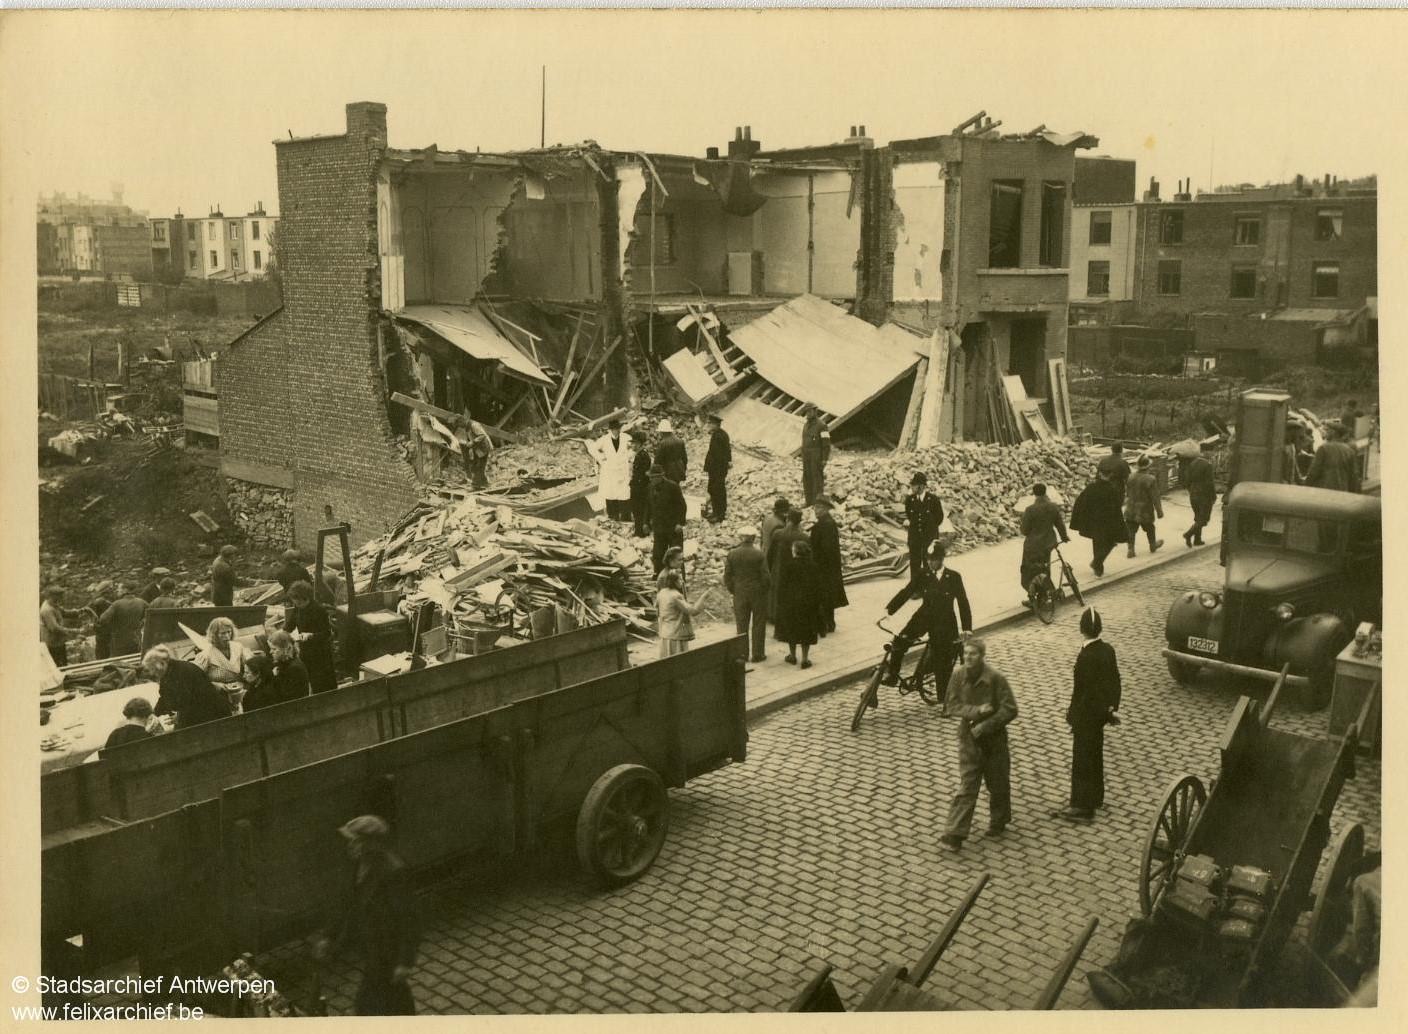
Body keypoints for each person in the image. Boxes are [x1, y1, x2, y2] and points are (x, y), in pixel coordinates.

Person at [314, 815, 420, 1016]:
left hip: (387, 948)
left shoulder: (393, 872)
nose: (350, 846)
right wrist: (328, 936)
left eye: (356, 841)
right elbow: (346, 904)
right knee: (394, 997)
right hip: (371, 945)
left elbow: (410, 919)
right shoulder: (358, 865)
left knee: (374, 1001)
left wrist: (405, 961)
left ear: (372, 844)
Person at [939, 638, 1018, 852]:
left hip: (994, 739)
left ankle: (999, 820)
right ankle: (954, 834)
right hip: (969, 739)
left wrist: (987, 725)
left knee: (998, 781)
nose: (968, 658)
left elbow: (1010, 708)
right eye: (965, 654)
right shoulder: (958, 675)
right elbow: (951, 705)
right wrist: (975, 712)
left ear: (982, 656)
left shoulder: (996, 678)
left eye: (973, 654)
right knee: (968, 785)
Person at [1053, 607, 1121, 823]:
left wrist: (1073, 716)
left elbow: (1082, 692)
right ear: (1099, 628)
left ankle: (1082, 806)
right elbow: (1115, 682)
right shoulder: (1108, 650)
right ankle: (1096, 796)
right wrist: (1110, 708)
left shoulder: (1085, 656)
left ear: (1081, 629)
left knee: (1082, 759)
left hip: (1086, 716)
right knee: (1095, 755)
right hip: (1100, 715)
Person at [880, 540, 972, 691]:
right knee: (898, 643)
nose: (931, 563)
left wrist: (967, 627)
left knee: (942, 664)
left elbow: (963, 602)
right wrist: (888, 610)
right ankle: (892, 675)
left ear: (942, 559)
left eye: (934, 560)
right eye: (929, 559)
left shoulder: (954, 577)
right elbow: (907, 592)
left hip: (945, 622)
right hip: (923, 617)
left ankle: (944, 700)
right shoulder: (924, 574)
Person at [144, 645, 232, 730]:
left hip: (213, 716)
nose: (152, 673)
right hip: (198, 715)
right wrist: (153, 714)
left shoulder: (183, 671)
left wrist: (181, 717)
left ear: (162, 664)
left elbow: (199, 700)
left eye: (152, 669)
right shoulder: (168, 672)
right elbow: (165, 698)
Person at [723, 526, 769, 663]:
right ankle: (758, 653)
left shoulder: (732, 554)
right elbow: (766, 577)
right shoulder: (760, 554)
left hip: (740, 593)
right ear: (754, 538)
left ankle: (743, 654)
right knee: (759, 623)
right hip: (758, 593)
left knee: (741, 624)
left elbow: (727, 576)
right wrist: (765, 590)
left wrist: (733, 590)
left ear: (740, 538)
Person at [1070, 469, 1128, 577]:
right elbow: (1116, 508)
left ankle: (1098, 568)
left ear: (1100, 474)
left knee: (1097, 542)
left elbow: (1080, 502)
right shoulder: (1112, 489)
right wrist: (1119, 523)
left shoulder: (1091, 488)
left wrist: (1081, 518)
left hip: (1093, 521)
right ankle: (1097, 563)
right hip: (1107, 521)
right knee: (1110, 542)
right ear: (1110, 475)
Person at [776, 540, 822, 669]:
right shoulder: (813, 565)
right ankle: (805, 659)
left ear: (795, 551)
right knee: (806, 630)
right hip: (808, 603)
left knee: (792, 628)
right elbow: (818, 586)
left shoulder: (789, 565)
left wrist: (780, 602)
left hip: (791, 603)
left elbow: (782, 586)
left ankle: (792, 655)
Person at [285, 580, 338, 694]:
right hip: (306, 650)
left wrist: (311, 635)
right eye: (294, 601)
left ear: (305, 598)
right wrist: (281, 633)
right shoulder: (298, 608)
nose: (296, 604)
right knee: (310, 680)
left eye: (298, 602)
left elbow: (327, 633)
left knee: (323, 683)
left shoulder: (319, 610)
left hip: (320, 653)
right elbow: (289, 625)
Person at [1019, 484, 1069, 601]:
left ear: (1034, 493)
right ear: (1045, 492)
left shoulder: (1030, 509)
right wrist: (1064, 537)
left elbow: (1024, 531)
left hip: (1032, 546)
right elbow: (1060, 525)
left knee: (1029, 570)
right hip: (1048, 544)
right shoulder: (1053, 507)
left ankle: (1035, 595)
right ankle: (1045, 594)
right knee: (1045, 569)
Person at [194, 616, 251, 714]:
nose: (227, 636)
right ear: (214, 635)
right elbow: (195, 678)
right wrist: (215, 685)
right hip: (218, 693)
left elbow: (248, 665)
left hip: (239, 689)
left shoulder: (238, 647)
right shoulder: (206, 654)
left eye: (229, 632)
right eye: (223, 633)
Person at [809, 495, 847, 635]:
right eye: (815, 507)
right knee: (828, 597)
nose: (816, 510)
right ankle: (829, 623)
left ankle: (825, 624)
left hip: (823, 568)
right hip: (828, 567)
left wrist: (815, 563)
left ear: (825, 509)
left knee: (823, 596)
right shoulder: (827, 523)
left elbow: (825, 549)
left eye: (818, 508)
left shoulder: (824, 525)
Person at [767, 509, 807, 638]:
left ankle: (778, 625)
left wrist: (769, 568)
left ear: (788, 519)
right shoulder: (804, 537)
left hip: (779, 571)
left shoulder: (778, 534)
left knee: (779, 598)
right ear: (799, 522)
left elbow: (770, 554)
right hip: (797, 573)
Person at [587, 419, 633, 522]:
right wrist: (601, 458)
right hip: (610, 470)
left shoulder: (626, 438)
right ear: (610, 430)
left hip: (622, 469)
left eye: (618, 429)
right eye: (614, 429)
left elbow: (633, 448)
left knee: (624, 494)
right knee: (610, 494)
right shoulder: (604, 440)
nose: (616, 431)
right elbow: (592, 448)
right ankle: (613, 518)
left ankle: (626, 519)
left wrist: (628, 456)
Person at [903, 471, 944, 584]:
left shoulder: (933, 500)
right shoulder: (910, 500)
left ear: (921, 486)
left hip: (929, 537)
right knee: (915, 563)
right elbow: (910, 516)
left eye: (913, 485)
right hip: (915, 537)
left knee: (929, 562)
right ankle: (915, 589)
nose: (911, 487)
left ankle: (929, 587)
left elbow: (939, 518)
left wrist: (930, 530)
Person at [647, 463, 686, 575]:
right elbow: (648, 507)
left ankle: (679, 581)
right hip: (659, 528)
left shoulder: (672, 487)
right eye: (650, 477)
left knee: (676, 557)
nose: (651, 480)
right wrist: (646, 523)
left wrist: (680, 523)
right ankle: (661, 579)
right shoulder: (650, 488)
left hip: (673, 529)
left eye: (653, 478)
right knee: (658, 556)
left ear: (660, 476)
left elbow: (682, 506)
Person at [1123, 455, 1164, 558]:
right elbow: (1155, 497)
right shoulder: (1150, 479)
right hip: (1144, 509)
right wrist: (1159, 511)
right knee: (1150, 528)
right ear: (1148, 467)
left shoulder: (1130, 477)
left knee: (1131, 529)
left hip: (1131, 507)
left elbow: (1127, 493)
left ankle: (1130, 549)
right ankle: (1152, 545)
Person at [655, 569, 699, 659]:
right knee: (678, 660)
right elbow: (693, 611)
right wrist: (704, 597)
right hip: (675, 634)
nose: (682, 582)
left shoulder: (661, 593)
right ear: (674, 582)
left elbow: (657, 608)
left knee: (666, 659)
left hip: (665, 633)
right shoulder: (676, 595)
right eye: (679, 579)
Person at [1307, 423, 1361, 493]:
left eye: (1327, 430)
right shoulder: (1349, 451)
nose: (1325, 433)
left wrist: (1306, 485)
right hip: (1343, 490)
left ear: (1333, 432)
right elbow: (1354, 475)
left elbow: (1314, 471)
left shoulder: (1323, 448)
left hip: (1324, 489)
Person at [97, 581, 148, 656]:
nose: (117, 591)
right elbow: (152, 614)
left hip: (119, 643)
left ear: (125, 590)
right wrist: (142, 622)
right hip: (136, 641)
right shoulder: (142, 602)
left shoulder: (116, 604)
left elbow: (102, 620)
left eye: (119, 589)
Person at [40, 587, 83, 667]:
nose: (62, 598)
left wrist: (79, 611)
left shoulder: (54, 604)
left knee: (63, 663)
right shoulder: (47, 610)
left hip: (58, 642)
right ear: (53, 596)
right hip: (52, 644)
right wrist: (75, 631)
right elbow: (54, 628)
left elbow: (64, 612)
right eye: (60, 596)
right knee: (58, 666)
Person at [1182, 449, 1217, 547]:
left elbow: (1187, 481)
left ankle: (1197, 540)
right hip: (1204, 495)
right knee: (1204, 519)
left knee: (1198, 517)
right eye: (1211, 452)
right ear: (1206, 452)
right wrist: (1213, 496)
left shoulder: (1192, 463)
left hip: (1193, 494)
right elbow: (1210, 483)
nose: (1212, 454)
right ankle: (1188, 534)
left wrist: (1191, 490)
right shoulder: (1207, 465)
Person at [702, 413, 731, 523]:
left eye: (710, 423)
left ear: (715, 424)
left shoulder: (718, 436)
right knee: (714, 490)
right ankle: (716, 512)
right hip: (718, 469)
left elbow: (717, 456)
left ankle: (719, 515)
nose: (708, 425)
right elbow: (727, 452)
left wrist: (712, 468)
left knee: (717, 490)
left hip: (717, 469)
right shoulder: (721, 434)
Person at [800, 404, 831, 505]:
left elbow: (826, 444)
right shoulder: (806, 425)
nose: (808, 414)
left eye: (810, 411)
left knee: (817, 480)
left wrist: (824, 459)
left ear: (815, 411)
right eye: (806, 412)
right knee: (807, 479)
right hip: (807, 457)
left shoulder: (822, 425)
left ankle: (818, 503)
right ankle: (808, 502)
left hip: (816, 457)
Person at [456, 415, 494, 489]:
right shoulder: (467, 427)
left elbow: (482, 435)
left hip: (483, 448)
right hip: (477, 448)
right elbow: (471, 437)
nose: (460, 427)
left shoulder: (474, 425)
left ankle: (475, 486)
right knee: (477, 466)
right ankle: (484, 483)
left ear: (462, 421)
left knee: (479, 466)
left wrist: (473, 442)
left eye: (460, 425)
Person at [629, 428, 653, 538]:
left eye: (633, 443)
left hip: (640, 487)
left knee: (639, 509)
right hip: (639, 486)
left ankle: (640, 532)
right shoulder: (641, 455)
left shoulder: (642, 456)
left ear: (639, 444)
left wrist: (634, 484)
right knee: (638, 509)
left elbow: (642, 474)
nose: (632, 446)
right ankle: (639, 530)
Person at [86, 581, 116, 660]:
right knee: (104, 654)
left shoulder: (101, 601)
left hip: (103, 631)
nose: (113, 591)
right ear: (106, 591)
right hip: (105, 631)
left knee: (103, 654)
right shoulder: (102, 602)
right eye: (111, 589)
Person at [653, 418, 688, 484]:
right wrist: (683, 469)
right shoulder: (680, 441)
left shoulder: (663, 443)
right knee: (676, 489)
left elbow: (658, 460)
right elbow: (685, 458)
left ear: (662, 432)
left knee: (667, 491)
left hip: (667, 472)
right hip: (679, 470)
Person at [759, 497, 790, 566]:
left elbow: (762, 536)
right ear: (783, 512)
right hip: (772, 557)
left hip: (764, 551)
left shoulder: (767, 517)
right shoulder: (779, 525)